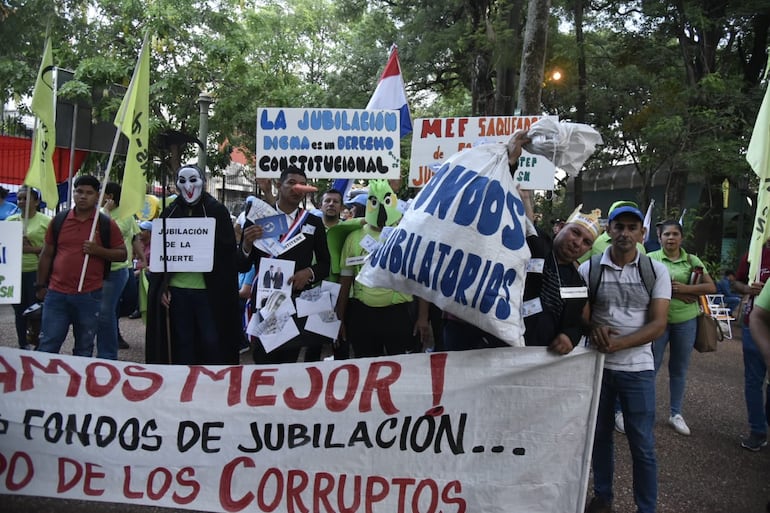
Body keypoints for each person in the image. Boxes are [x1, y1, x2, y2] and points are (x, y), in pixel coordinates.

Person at [579, 204, 671, 513]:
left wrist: (619, 344)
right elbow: (581, 314)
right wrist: (593, 328)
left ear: (642, 234)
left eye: (632, 228)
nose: (625, 233)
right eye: (619, 227)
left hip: (638, 369)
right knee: (599, 436)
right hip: (596, 368)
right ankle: (603, 496)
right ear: (609, 230)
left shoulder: (656, 271)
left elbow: (658, 324)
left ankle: (646, 507)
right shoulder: (589, 268)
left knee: (642, 443)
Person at [145, 164, 241, 365]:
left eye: (193, 179)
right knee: (182, 341)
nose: (188, 185)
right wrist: (163, 286)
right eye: (182, 181)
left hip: (209, 292)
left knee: (212, 341)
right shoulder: (170, 211)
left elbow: (227, 255)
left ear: (203, 182)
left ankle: (212, 383)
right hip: (177, 291)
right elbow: (162, 253)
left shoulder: (216, 211)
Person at [239, 165, 331, 364]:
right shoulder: (257, 219)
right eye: (291, 183)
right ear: (278, 185)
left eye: (303, 185)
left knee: (288, 364)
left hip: (293, 304)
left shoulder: (313, 223)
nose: (298, 189)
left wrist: (309, 272)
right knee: (264, 364)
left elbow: (325, 265)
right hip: (264, 304)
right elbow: (241, 265)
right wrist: (246, 244)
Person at [35, 175, 127, 357]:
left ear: (97, 196)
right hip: (56, 293)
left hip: (89, 294)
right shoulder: (59, 220)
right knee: (48, 344)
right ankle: (43, 382)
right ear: (73, 193)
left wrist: (98, 250)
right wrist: (39, 285)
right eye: (79, 191)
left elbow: (122, 254)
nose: (83, 196)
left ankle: (78, 384)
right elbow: (46, 254)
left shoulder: (105, 223)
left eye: (89, 193)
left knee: (84, 347)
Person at [335, 180, 423, 357]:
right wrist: (339, 318)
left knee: (401, 369)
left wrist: (422, 317)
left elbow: (419, 279)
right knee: (367, 368)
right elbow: (345, 280)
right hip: (363, 315)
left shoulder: (406, 236)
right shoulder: (353, 238)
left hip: (399, 314)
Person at [648, 220, 715, 436]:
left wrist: (687, 288)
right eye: (666, 234)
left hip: (686, 322)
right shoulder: (651, 259)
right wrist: (677, 292)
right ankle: (645, 411)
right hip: (658, 320)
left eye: (675, 234)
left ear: (681, 237)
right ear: (659, 238)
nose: (671, 238)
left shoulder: (692, 260)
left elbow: (710, 286)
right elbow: (645, 287)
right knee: (651, 366)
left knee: (679, 369)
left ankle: (675, 413)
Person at [96, 182, 141, 358]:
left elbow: (134, 237)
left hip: (126, 266)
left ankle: (112, 328)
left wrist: (142, 259)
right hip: (108, 270)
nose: (98, 196)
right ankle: (108, 350)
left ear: (110, 196)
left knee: (130, 302)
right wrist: (105, 212)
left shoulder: (126, 215)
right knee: (107, 311)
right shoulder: (99, 215)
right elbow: (102, 233)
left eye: (101, 193)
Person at [734, 241, 770, 451]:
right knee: (753, 381)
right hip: (753, 325)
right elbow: (736, 283)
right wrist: (748, 288)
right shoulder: (755, 252)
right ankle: (757, 431)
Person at [6, 186, 51, 349]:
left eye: (26, 198)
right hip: (15, 273)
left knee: (36, 311)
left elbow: (52, 248)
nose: (21, 202)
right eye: (19, 198)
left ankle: (38, 344)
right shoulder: (11, 222)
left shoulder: (46, 222)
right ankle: (22, 344)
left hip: (36, 272)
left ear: (36, 201)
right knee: (19, 312)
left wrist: (30, 249)